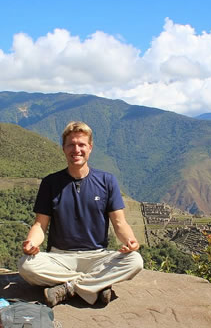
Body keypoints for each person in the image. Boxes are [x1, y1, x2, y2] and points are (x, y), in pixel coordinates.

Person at [19, 121, 143, 307]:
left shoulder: (107, 181)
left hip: (96, 256)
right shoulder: (50, 183)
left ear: (90, 148)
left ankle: (68, 288)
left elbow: (119, 223)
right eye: (71, 144)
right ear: (63, 148)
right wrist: (31, 243)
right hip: (59, 257)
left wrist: (130, 241)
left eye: (81, 144)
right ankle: (95, 286)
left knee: (135, 261)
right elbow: (40, 224)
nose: (76, 149)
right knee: (26, 265)